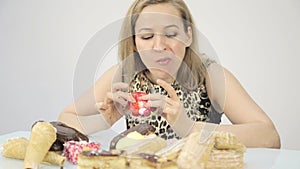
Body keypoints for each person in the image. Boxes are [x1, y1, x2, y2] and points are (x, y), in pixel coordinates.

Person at [58, 0, 280, 148]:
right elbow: (65, 118)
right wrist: (103, 120)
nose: (159, 45)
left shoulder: (210, 75)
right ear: (134, 43)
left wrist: (191, 128)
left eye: (171, 34)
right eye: (146, 37)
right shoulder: (124, 75)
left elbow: (269, 137)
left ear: (188, 36)